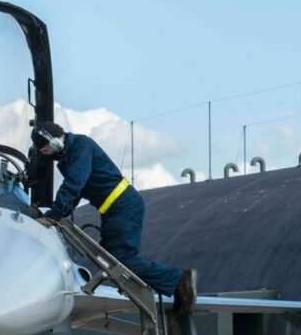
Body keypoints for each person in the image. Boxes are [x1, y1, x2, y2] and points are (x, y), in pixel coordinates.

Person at [31, 121, 196, 315]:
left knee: (121, 260)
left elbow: (75, 183)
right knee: (110, 260)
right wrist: (59, 214)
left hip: (123, 205)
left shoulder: (81, 146)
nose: (47, 154)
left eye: (46, 149)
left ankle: (179, 280)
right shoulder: (69, 158)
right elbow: (75, 193)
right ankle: (171, 286)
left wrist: (53, 215)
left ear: (56, 140)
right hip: (113, 209)